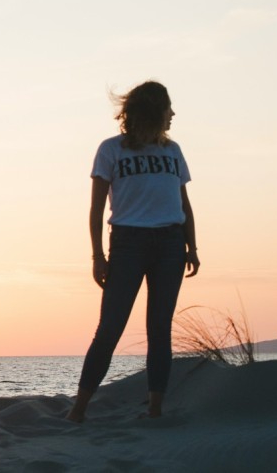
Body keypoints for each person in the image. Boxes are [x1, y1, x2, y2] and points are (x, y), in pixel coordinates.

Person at [66, 80, 200, 423]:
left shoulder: (173, 151)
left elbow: (183, 202)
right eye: (168, 107)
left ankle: (155, 409)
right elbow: (96, 210)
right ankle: (79, 409)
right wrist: (97, 255)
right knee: (109, 328)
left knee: (160, 329)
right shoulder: (111, 150)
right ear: (153, 111)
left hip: (171, 244)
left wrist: (193, 245)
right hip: (127, 244)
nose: (173, 114)